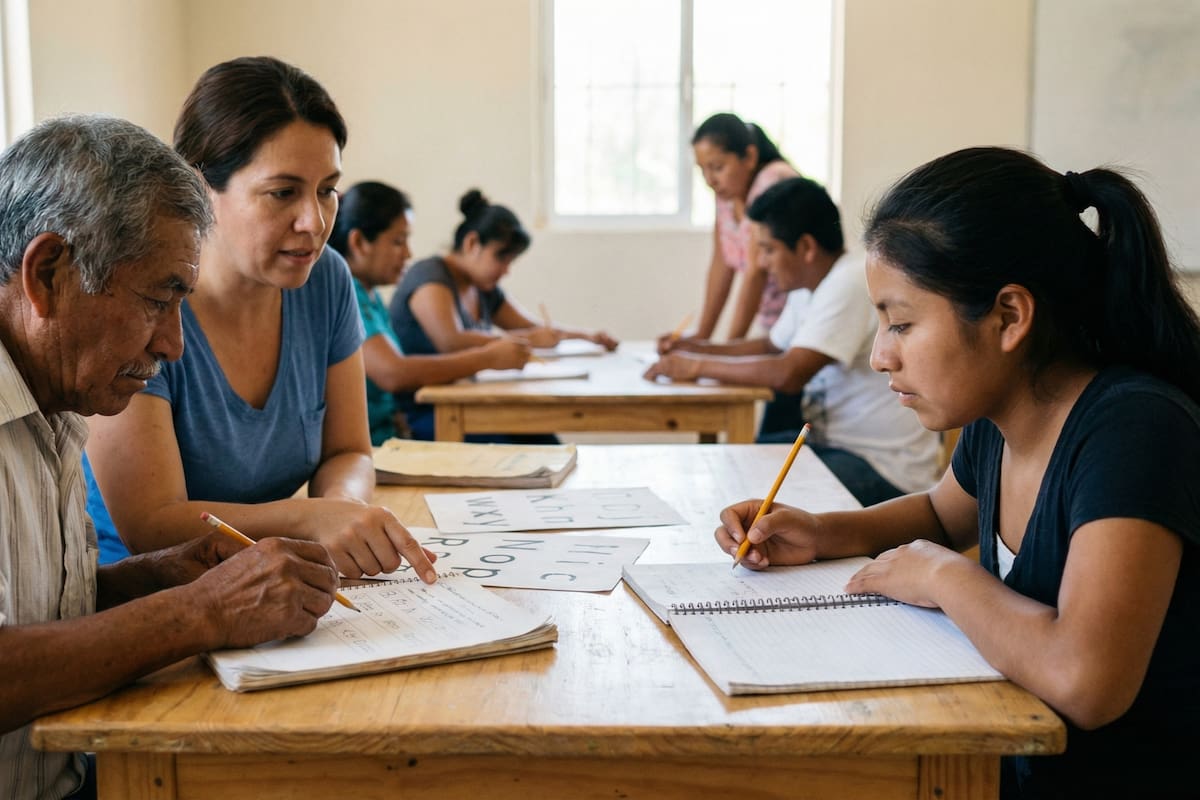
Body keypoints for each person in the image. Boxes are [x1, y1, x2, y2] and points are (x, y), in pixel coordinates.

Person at [716, 147, 1200, 798]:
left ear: (1008, 317)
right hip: (1005, 755)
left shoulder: (1133, 429)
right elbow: (942, 515)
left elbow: (1087, 681)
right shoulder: (996, 418)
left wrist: (945, 576)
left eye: (902, 323)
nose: (882, 355)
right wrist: (822, 532)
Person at [0, 113, 344, 800]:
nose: (174, 345)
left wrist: (163, 580)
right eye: (159, 300)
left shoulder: (55, 403)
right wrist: (199, 613)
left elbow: (33, 615)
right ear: (48, 274)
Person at [84, 56, 438, 583]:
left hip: (271, 583)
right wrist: (311, 519)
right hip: (147, 601)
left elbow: (348, 451)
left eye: (327, 189)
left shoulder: (327, 280)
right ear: (202, 188)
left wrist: (345, 508)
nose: (314, 222)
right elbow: (151, 524)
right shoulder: (142, 300)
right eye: (283, 193)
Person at [645, 177, 939, 506]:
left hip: (879, 467)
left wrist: (695, 366)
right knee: (730, 467)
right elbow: (771, 346)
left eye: (769, 249)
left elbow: (789, 372)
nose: (762, 263)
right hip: (832, 447)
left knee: (739, 485)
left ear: (806, 248)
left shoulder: (849, 281)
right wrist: (695, 347)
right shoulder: (808, 285)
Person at [388, 188, 618, 440]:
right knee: (523, 448)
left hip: (470, 401)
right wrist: (529, 339)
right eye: (501, 258)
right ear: (472, 243)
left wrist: (588, 336)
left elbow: (536, 328)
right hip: (426, 411)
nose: (506, 270)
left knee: (545, 443)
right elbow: (451, 341)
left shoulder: (483, 288)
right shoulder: (430, 277)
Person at [328, 181, 533, 445]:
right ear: (359, 242)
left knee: (533, 438)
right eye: (398, 241)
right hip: (368, 446)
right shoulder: (346, 293)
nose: (408, 253)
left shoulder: (371, 295)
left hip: (391, 430)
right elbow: (394, 373)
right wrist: (487, 357)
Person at [657, 112, 799, 352]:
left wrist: (724, 352)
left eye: (717, 167)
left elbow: (756, 273)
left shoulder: (772, 183)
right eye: (702, 170)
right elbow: (721, 263)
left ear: (750, 156)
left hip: (801, 324)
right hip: (776, 329)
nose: (709, 180)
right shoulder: (728, 194)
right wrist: (702, 338)